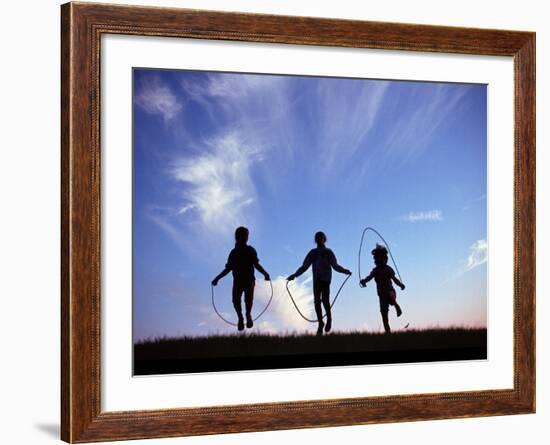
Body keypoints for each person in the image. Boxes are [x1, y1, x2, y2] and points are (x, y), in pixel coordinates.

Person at [287, 231, 352, 335]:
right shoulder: (312, 253)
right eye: (317, 237)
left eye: (320, 237)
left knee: (325, 300)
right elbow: (304, 266)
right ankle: (321, 323)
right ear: (315, 240)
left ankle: (329, 319)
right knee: (317, 302)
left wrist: (344, 271)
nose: (319, 239)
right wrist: (294, 275)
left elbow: (335, 265)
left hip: (326, 279)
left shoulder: (328, 252)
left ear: (324, 239)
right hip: (317, 280)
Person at [212, 226, 270, 331]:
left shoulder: (250, 250)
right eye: (244, 236)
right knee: (235, 300)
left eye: (246, 236)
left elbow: (256, 265)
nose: (246, 238)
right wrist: (217, 278)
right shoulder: (233, 253)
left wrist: (265, 273)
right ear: (238, 237)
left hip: (249, 280)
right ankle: (240, 317)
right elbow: (228, 268)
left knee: (248, 300)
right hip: (238, 281)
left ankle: (248, 315)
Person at [359, 244, 405, 333]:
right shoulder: (375, 270)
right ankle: (388, 331)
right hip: (381, 294)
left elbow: (395, 279)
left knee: (390, 294)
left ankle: (396, 305)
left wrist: (400, 285)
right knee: (383, 312)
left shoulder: (388, 269)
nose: (379, 261)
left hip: (390, 291)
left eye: (382, 258)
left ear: (385, 259)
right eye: (377, 259)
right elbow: (369, 277)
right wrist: (364, 281)